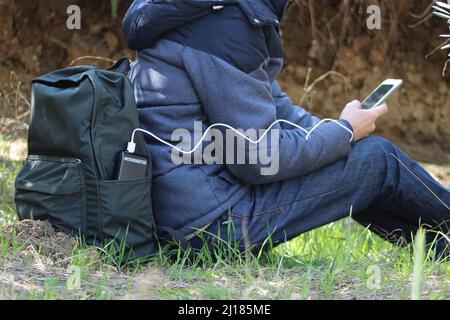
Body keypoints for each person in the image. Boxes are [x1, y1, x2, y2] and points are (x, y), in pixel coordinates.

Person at [122, 0, 450, 257]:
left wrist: (338, 129)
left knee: (359, 160)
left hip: (182, 215)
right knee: (378, 161)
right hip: (209, 228)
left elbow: (275, 108)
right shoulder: (225, 25)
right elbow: (257, 159)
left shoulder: (209, 11)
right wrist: (344, 133)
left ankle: (439, 249)